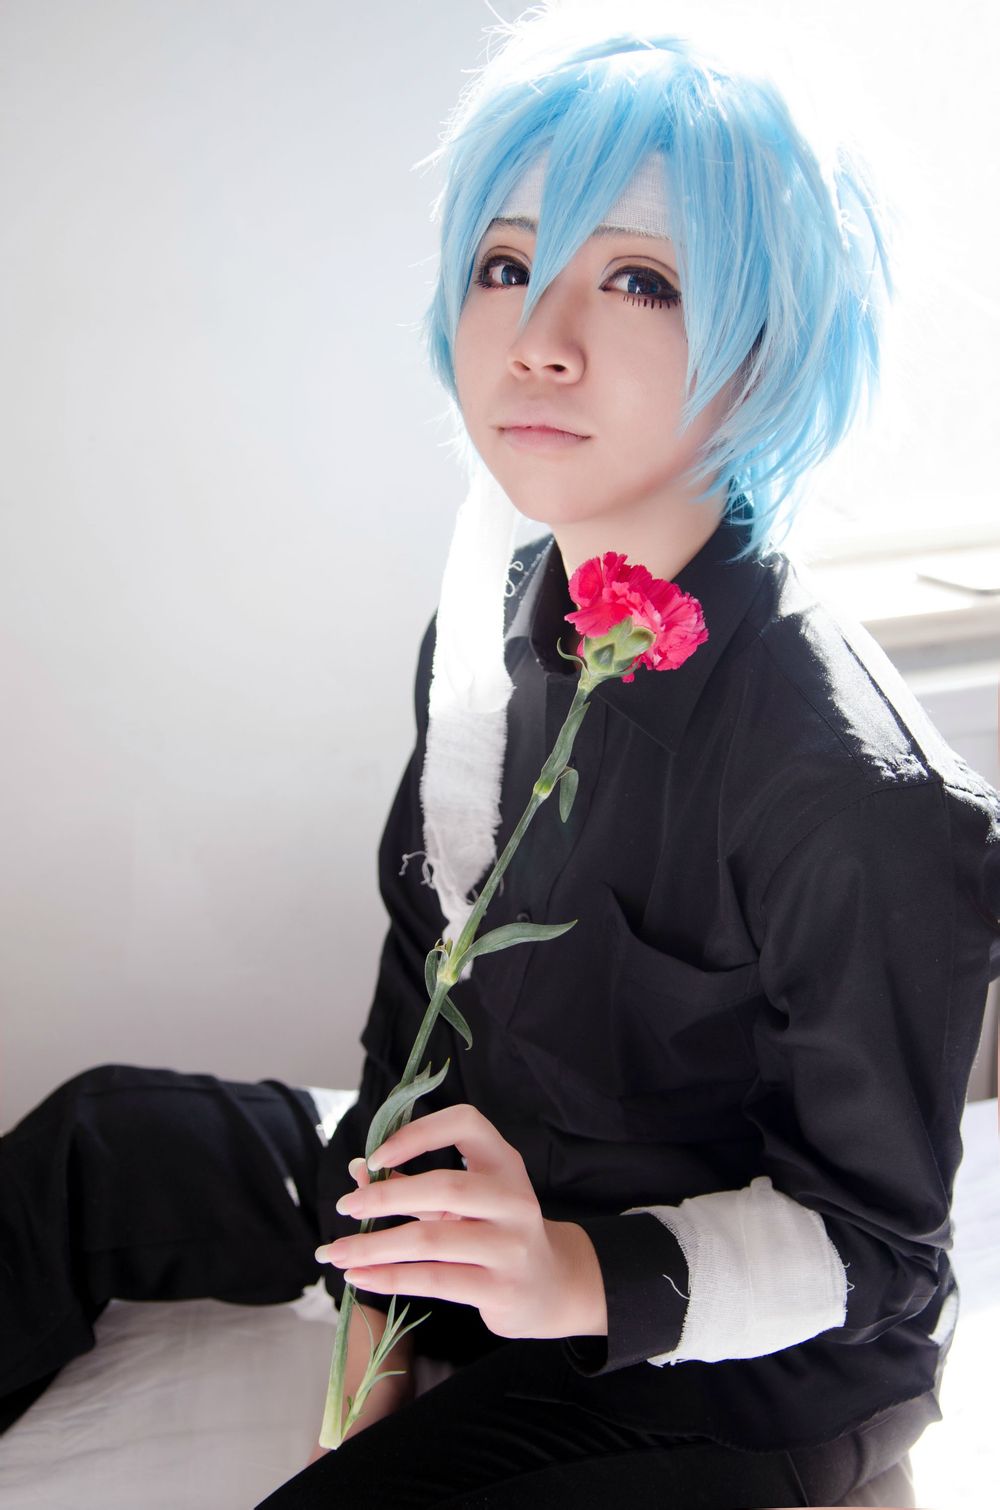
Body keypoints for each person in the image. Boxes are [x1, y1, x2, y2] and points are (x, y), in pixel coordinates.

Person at [2, 8, 999, 1508]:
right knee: (99, 1141)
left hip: (727, 1332)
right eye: (506, 265)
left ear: (764, 348)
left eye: (641, 280)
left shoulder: (861, 791)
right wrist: (379, 1294)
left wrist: (575, 1272)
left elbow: (875, 1248)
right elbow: (426, 979)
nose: (538, 336)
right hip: (490, 1192)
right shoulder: (497, 619)